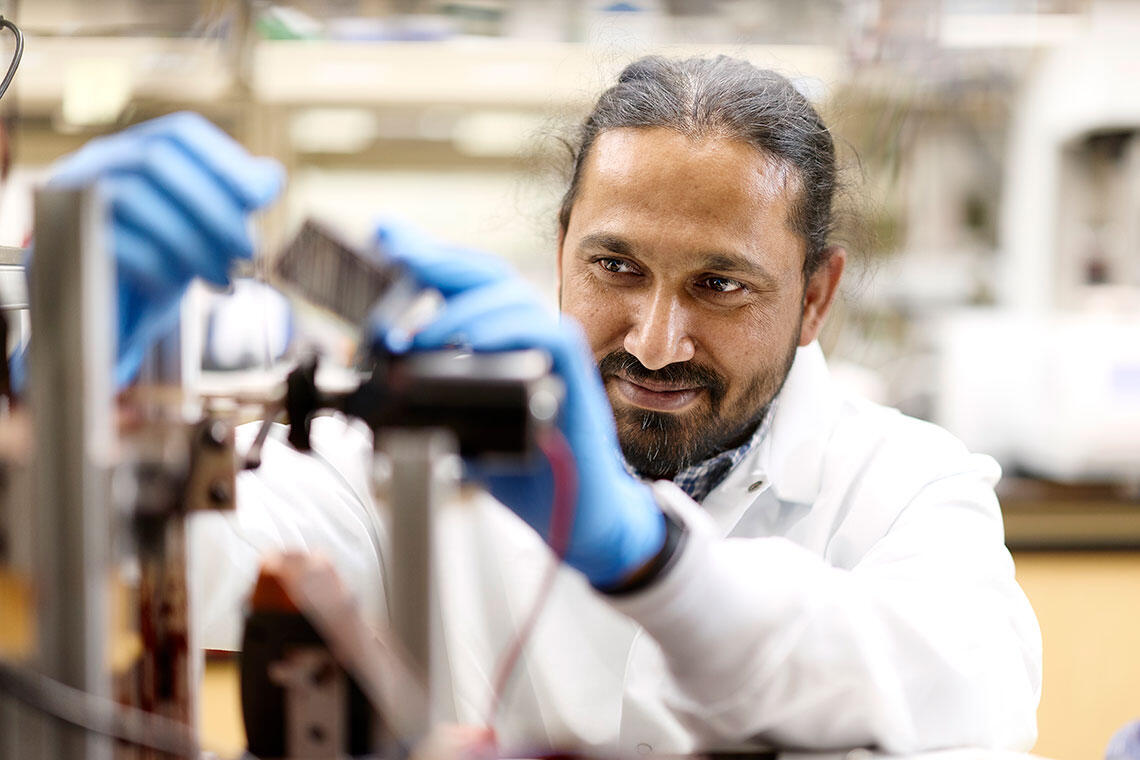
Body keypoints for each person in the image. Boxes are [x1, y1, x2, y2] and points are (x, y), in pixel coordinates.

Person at [42, 56, 1041, 755]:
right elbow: (149, 562)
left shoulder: (909, 485)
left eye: (720, 286)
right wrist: (58, 373)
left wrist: (645, 556)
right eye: (615, 266)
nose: (656, 341)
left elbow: (969, 695)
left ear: (816, 295)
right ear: (561, 248)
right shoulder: (399, 450)